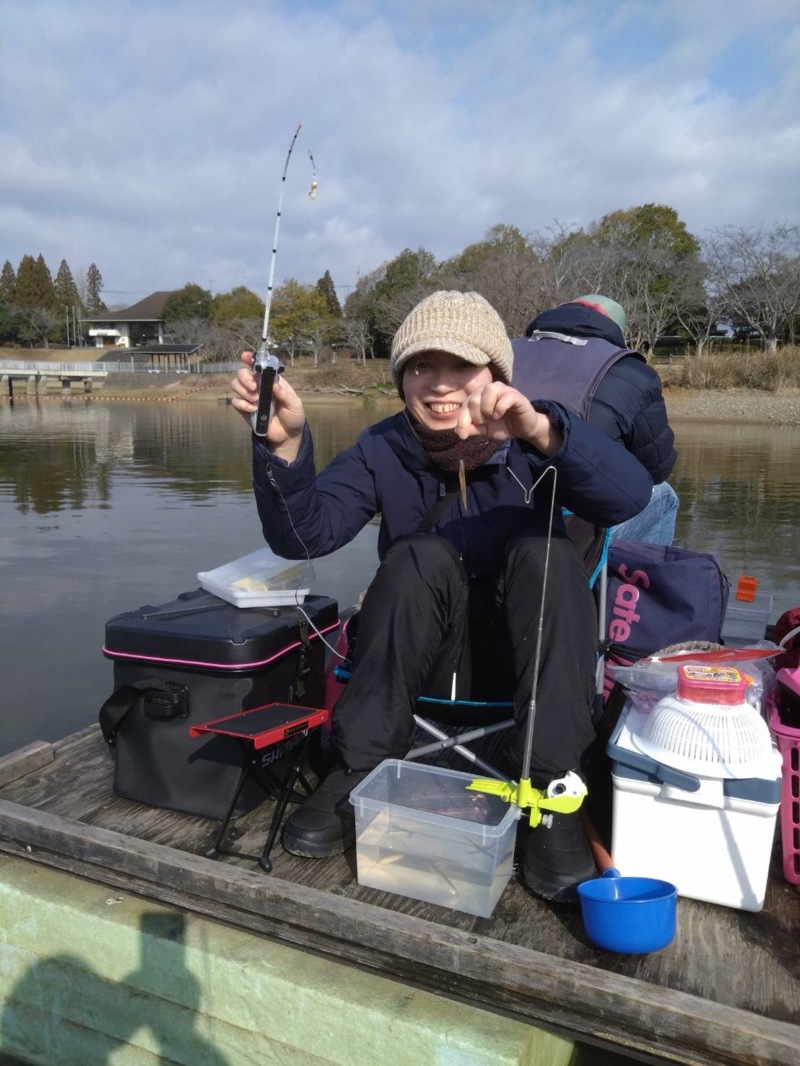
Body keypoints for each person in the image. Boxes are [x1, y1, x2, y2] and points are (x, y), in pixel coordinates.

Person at [231, 290, 652, 902]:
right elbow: (303, 535)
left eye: (462, 367)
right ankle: (360, 766)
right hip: (426, 659)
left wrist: (538, 429)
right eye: (422, 366)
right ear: (402, 375)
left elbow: (630, 498)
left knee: (546, 551)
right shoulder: (383, 447)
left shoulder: (538, 438)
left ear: (496, 376)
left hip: (529, 668)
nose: (440, 386)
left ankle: (554, 788)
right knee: (419, 554)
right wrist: (285, 447)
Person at [512, 295, 678, 546]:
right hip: (575, 525)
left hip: (497, 504)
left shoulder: (504, 351)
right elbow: (655, 469)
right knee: (664, 495)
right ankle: (640, 580)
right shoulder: (630, 370)